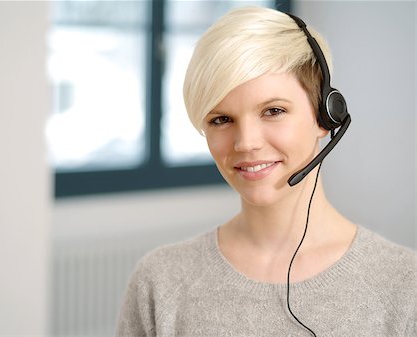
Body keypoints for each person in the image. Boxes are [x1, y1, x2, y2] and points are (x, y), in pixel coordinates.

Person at [117, 7, 416, 336]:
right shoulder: (160, 282)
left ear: (325, 116)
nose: (246, 143)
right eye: (221, 119)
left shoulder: (403, 287)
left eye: (273, 111)